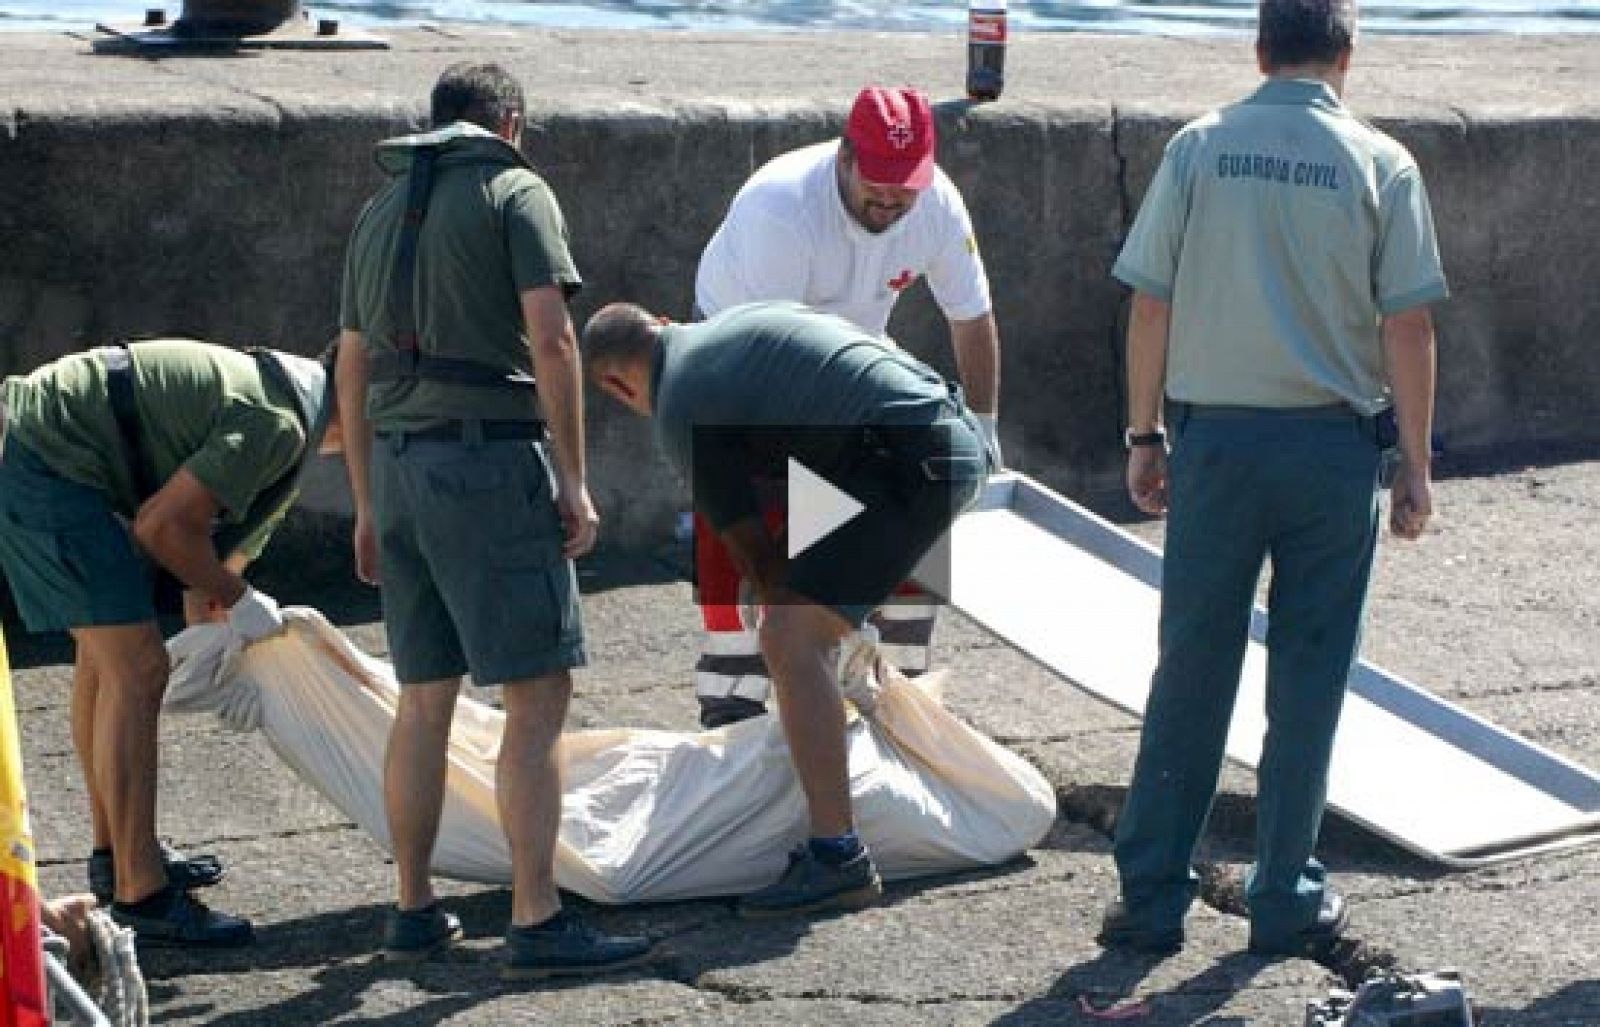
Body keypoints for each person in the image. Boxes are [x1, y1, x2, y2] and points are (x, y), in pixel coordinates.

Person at [1098, 0, 1446, 959]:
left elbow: (1151, 303)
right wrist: (1414, 466)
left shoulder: (1200, 148)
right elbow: (1408, 328)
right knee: (1310, 678)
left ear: (1258, 50)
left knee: (1193, 669)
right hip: (1332, 454)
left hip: (1216, 447)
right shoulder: (1383, 164)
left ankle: (1155, 897)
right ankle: (1285, 894)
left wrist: (1144, 431)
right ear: (1348, 51)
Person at [335, 61, 650, 978]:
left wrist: (363, 500)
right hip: (484, 459)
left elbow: (350, 367)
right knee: (538, 693)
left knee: (423, 697)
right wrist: (576, 479)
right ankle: (537, 915)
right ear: (510, 122)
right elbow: (552, 338)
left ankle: (412, 907)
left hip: (394, 466)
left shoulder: (377, 209)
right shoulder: (517, 191)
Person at [582, 300, 993, 916]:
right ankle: (863, 787)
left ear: (616, 384)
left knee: (790, 641)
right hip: (939, 436)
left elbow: (756, 559)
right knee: (807, 625)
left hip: (909, 462)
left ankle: (837, 856)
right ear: (663, 324)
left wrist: (784, 611)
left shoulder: (680, 401)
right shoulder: (731, 329)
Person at [0, 337, 344, 946]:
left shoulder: (281, 395)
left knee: (105, 664)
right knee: (137, 669)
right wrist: (240, 602)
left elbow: (201, 566)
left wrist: (227, 645)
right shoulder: (279, 422)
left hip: (39, 447)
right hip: (46, 464)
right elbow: (161, 527)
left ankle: (119, 855)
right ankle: (143, 894)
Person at [689, 85, 1003, 729]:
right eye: (877, 186)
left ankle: (905, 699)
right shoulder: (782, 210)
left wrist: (984, 431)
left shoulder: (937, 205)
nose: (889, 202)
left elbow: (971, 319)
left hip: (857, 361)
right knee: (754, 530)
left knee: (927, 487)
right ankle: (732, 705)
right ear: (844, 157)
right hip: (740, 363)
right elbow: (777, 357)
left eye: (904, 190)